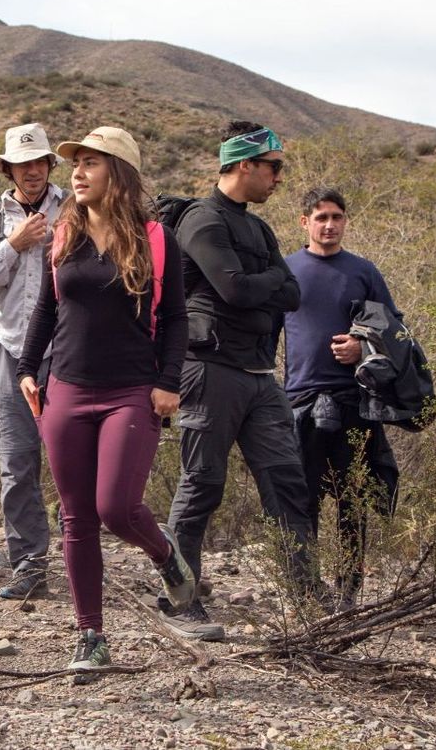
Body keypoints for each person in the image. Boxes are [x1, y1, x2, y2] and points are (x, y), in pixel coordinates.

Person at [17, 126, 194, 672]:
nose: (77, 171)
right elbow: (47, 309)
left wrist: (169, 382)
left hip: (131, 390)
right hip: (65, 387)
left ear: (118, 174)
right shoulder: (63, 235)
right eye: (77, 163)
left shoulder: (156, 240)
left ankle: (166, 556)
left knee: (116, 508)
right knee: (76, 519)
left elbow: (177, 318)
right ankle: (90, 635)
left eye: (91, 162)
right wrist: (27, 368)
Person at [162, 121, 310, 642]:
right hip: (209, 369)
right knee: (202, 483)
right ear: (244, 165)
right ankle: (180, 603)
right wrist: (268, 284)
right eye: (273, 167)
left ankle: (306, 599)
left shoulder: (260, 229)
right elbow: (234, 290)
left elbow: (291, 294)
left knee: (288, 483)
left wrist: (265, 285)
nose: (279, 178)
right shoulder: (203, 221)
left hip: (258, 374)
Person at [0, 123, 65, 599]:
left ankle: (84, 558)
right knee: (17, 461)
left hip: (68, 353)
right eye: (23, 164)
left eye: (40, 162)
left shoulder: (74, 209)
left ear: (49, 166)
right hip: (11, 352)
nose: (33, 171)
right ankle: (30, 565)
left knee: (73, 464)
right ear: (8, 169)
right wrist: (13, 244)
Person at [284, 187, 400, 611]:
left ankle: (349, 592)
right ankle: (308, 591)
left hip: (356, 402)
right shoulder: (286, 270)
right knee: (304, 501)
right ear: (305, 222)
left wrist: (361, 346)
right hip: (300, 401)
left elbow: (392, 327)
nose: (329, 225)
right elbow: (264, 331)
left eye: (336, 216)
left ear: (345, 221)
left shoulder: (362, 271)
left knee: (352, 501)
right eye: (320, 217)